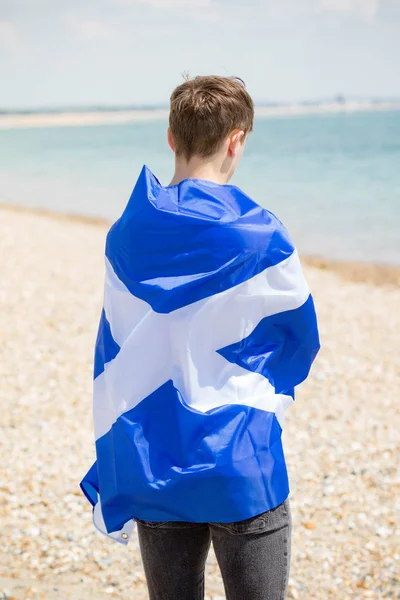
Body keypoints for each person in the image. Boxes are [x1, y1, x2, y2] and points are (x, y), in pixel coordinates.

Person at [80, 75, 320, 600]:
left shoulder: (125, 235)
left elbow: (114, 343)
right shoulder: (261, 235)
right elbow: (300, 337)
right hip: (240, 456)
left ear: (171, 137)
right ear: (237, 140)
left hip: (154, 456)